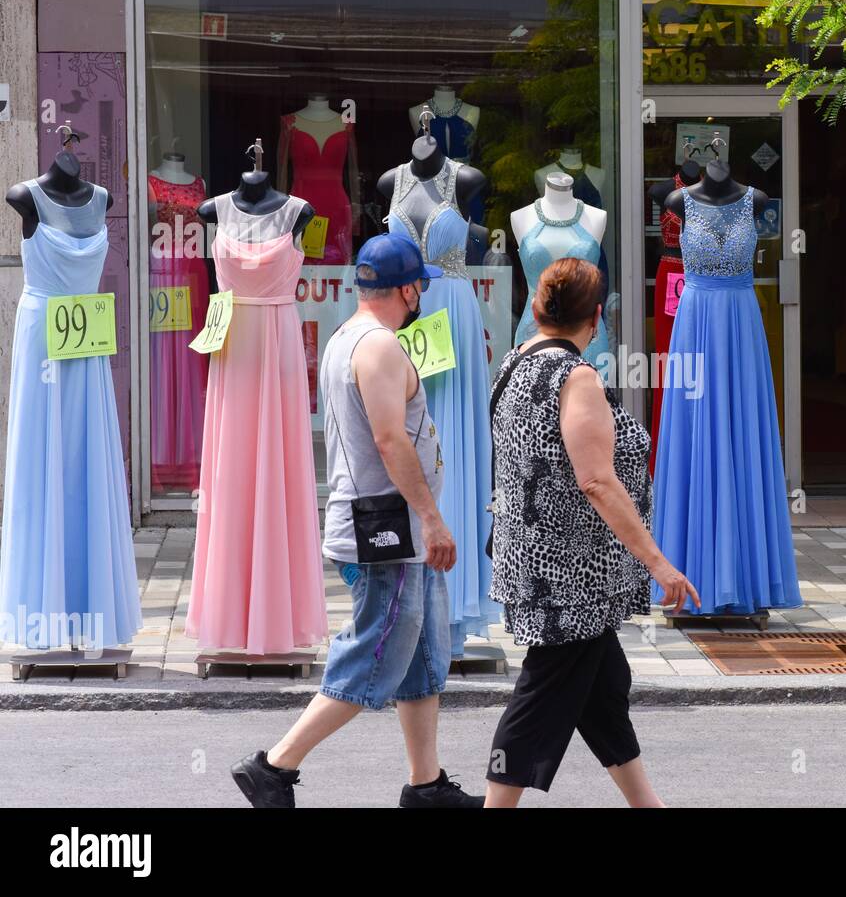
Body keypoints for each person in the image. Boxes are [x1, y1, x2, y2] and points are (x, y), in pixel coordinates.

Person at [231, 233, 481, 808]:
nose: (423, 293)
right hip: (388, 529)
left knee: (420, 658)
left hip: (389, 527)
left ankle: (426, 786)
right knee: (376, 653)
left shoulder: (349, 337)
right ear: (406, 288)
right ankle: (273, 766)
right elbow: (392, 441)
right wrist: (432, 519)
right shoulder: (379, 348)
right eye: (420, 283)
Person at [484, 257, 700, 807]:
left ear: (538, 308)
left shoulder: (514, 363)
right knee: (539, 700)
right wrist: (658, 562)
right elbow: (597, 481)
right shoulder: (575, 377)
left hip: (532, 561)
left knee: (604, 692)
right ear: (597, 317)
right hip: (570, 575)